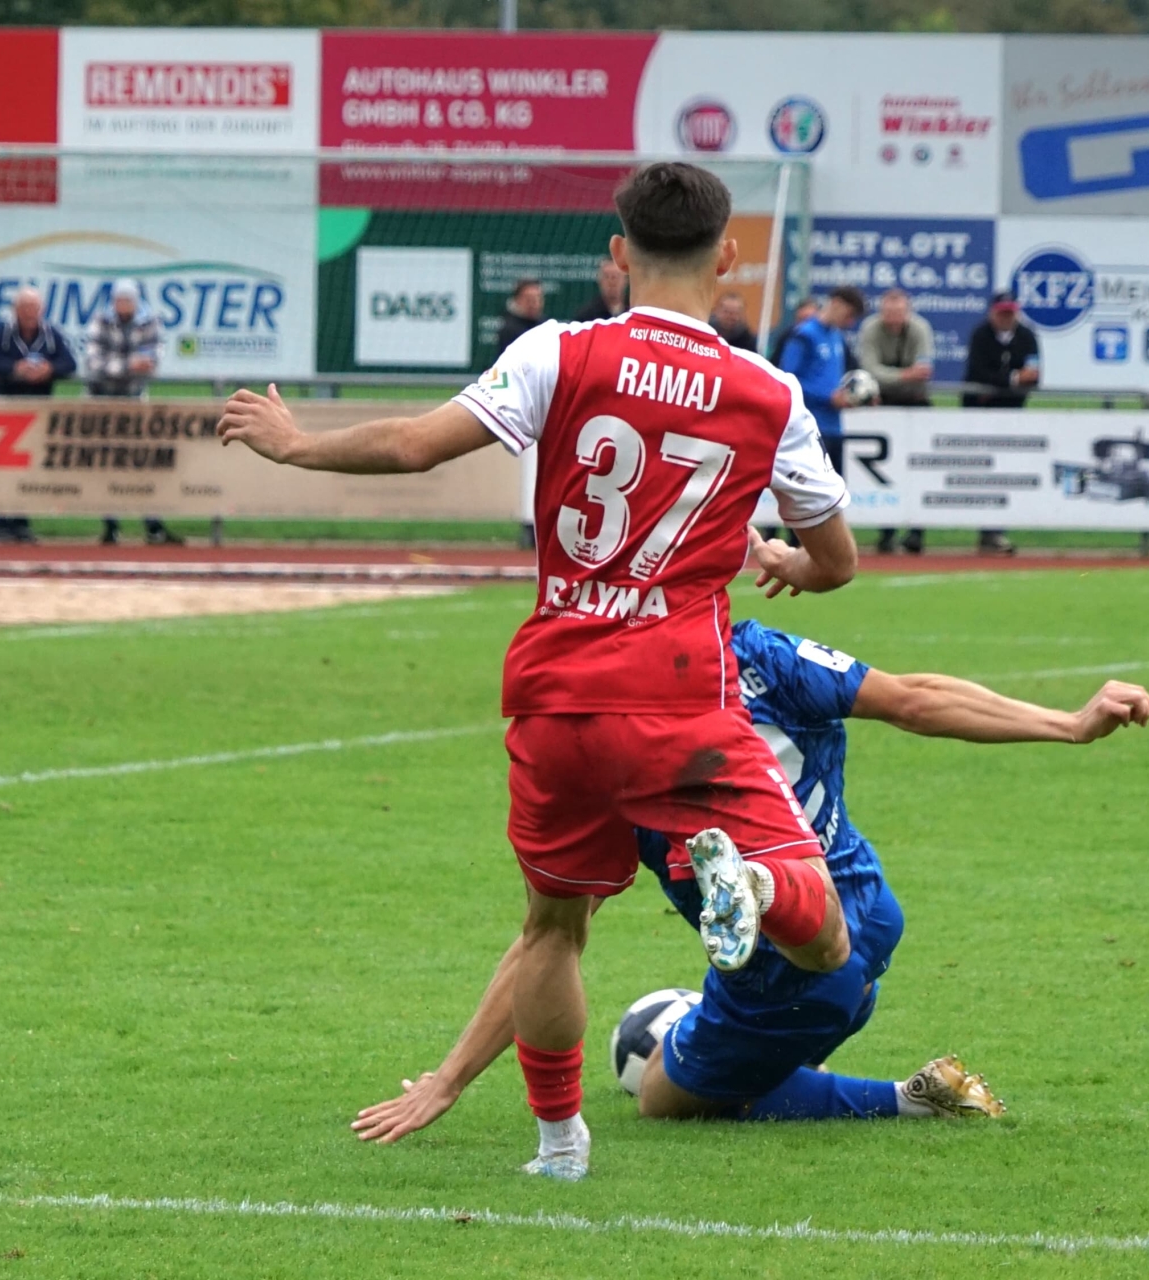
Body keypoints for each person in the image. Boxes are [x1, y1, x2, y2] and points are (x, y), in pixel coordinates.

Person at [217, 162, 860, 1181]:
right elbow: (838, 560)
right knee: (822, 936)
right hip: (680, 693)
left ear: (619, 254)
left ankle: (560, 1143)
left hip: (555, 689)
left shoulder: (558, 349)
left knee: (553, 928)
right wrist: (790, 562)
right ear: (729, 255)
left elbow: (416, 446)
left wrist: (296, 447)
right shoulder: (768, 392)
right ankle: (748, 878)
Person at [352, 621, 1149, 1142]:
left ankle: (908, 1094)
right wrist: (1067, 723)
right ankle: (770, 916)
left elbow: (550, 939)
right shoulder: (761, 651)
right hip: (870, 906)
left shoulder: (607, 733)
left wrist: (448, 1081)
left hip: (787, 972)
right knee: (777, 1017)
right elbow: (914, 699)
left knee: (660, 1097)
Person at [0, 286, 76, 545]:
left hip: (36, 412)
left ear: (42, 310)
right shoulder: (2, 333)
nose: (30, 313)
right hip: (5, 412)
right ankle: (0, 524)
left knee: (29, 469)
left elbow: (70, 364)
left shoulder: (51, 334)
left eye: (34, 308)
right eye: (25, 308)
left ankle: (21, 524)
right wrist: (15, 368)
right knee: (2, 468)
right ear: (16, 310)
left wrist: (49, 369)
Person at [85, 279, 177, 547]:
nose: (123, 305)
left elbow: (154, 360)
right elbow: (94, 363)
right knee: (105, 463)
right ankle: (111, 526)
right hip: (102, 399)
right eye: (119, 300)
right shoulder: (101, 321)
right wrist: (128, 366)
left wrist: (131, 367)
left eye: (128, 300)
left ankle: (153, 525)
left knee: (143, 461)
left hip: (135, 399)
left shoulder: (150, 322)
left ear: (136, 301)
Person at [961, 291, 1042, 556]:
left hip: (1011, 414)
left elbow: (1034, 376)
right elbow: (977, 373)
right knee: (978, 471)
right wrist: (1013, 380)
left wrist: (1004, 382)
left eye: (1011, 312)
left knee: (1005, 471)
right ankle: (986, 529)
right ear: (992, 313)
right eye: (1002, 312)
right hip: (980, 413)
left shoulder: (1026, 336)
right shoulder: (981, 335)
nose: (1007, 317)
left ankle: (994, 531)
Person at [858, 288, 934, 555]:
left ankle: (916, 533)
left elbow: (923, 371)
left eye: (899, 312)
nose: (893, 318)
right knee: (886, 469)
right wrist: (905, 375)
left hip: (916, 403)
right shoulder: (870, 329)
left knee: (919, 467)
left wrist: (893, 376)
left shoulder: (920, 329)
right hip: (883, 404)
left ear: (907, 312)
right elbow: (870, 370)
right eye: (888, 312)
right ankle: (886, 532)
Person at [775, 286, 865, 478]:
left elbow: (837, 379)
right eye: (849, 315)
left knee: (837, 490)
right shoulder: (804, 335)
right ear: (836, 303)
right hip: (808, 429)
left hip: (834, 428)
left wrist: (854, 397)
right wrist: (827, 398)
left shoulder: (837, 337)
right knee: (810, 492)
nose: (850, 322)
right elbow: (786, 380)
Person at [493, 278, 544, 357]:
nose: (533, 304)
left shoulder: (546, 326)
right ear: (517, 300)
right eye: (528, 299)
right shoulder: (509, 330)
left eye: (537, 298)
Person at [766, 298, 817, 369]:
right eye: (805, 317)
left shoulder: (817, 339)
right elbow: (776, 360)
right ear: (798, 312)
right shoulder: (788, 335)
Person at [572, 258, 626, 323]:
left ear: (625, 280)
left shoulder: (633, 312)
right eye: (607, 277)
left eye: (616, 277)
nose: (612, 282)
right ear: (600, 281)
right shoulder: (586, 317)